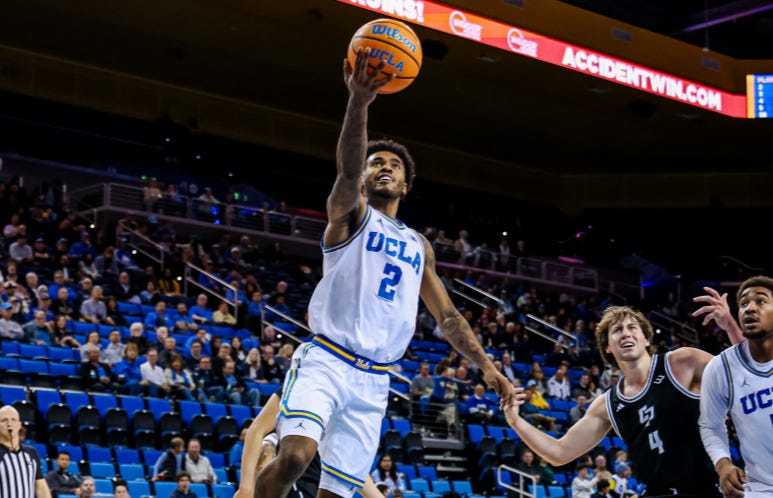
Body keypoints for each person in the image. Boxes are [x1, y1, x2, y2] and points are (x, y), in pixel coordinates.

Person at [253, 48, 514, 498]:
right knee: (294, 457)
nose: (385, 167)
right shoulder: (351, 215)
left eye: (394, 165)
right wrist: (359, 100)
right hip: (327, 359)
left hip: (374, 378)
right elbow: (346, 169)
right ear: (363, 178)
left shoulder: (419, 245)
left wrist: (487, 367)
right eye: (376, 163)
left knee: (337, 494)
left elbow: (448, 317)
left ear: (405, 185)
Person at [503, 304, 742, 497]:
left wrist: (730, 325)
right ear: (608, 347)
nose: (626, 333)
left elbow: (745, 375)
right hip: (655, 493)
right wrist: (515, 420)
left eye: (632, 327)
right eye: (617, 330)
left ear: (646, 339)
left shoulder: (682, 362)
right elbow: (559, 452)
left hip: (708, 489)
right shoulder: (607, 404)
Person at [697, 277, 773, 498]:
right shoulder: (720, 368)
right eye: (743, 304)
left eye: (761, 301)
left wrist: (730, 324)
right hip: (761, 488)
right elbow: (711, 425)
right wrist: (723, 464)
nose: (750, 308)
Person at [233, 388, 383, 498]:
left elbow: (352, 470)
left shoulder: (352, 407)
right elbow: (256, 431)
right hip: (294, 483)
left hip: (319, 487)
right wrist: (246, 488)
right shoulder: (305, 384)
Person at [0, 405, 52, 498]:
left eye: (13, 420)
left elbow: (41, 488)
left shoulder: (31, 453)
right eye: (4, 420)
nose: (9, 424)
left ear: (19, 425)